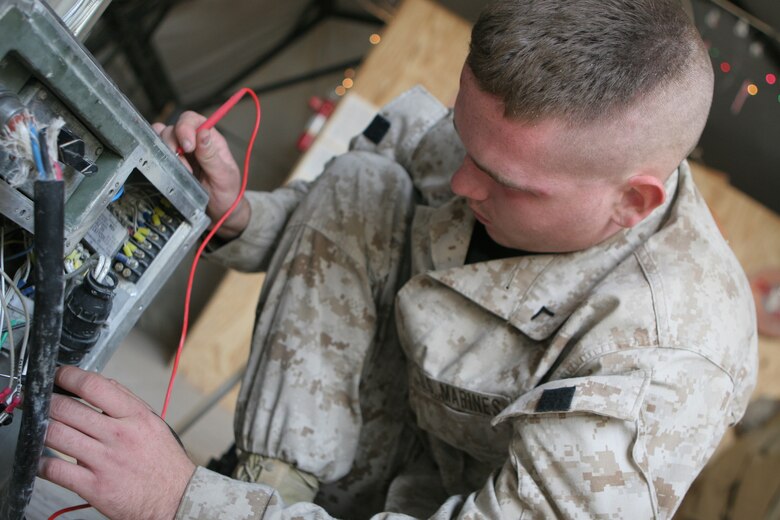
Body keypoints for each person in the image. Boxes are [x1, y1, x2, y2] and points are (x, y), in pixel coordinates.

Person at [40, 0, 758, 518]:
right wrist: (233, 211)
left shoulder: (664, 366)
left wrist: (183, 500)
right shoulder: (493, 149)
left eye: (505, 181)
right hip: (341, 465)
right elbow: (339, 221)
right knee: (365, 180)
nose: (464, 182)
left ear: (631, 203)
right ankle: (271, 484)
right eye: (464, 138)